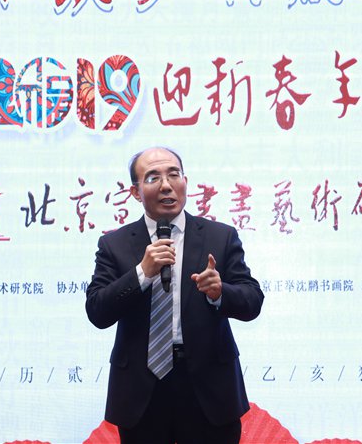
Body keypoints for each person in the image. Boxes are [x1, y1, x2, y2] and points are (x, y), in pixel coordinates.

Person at [86, 147, 264, 444]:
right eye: (153, 177)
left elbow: (252, 300)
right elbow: (97, 311)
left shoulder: (220, 236)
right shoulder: (114, 244)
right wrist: (141, 272)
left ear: (185, 181)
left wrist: (220, 292)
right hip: (141, 393)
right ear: (135, 192)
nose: (166, 185)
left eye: (173, 175)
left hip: (209, 389)